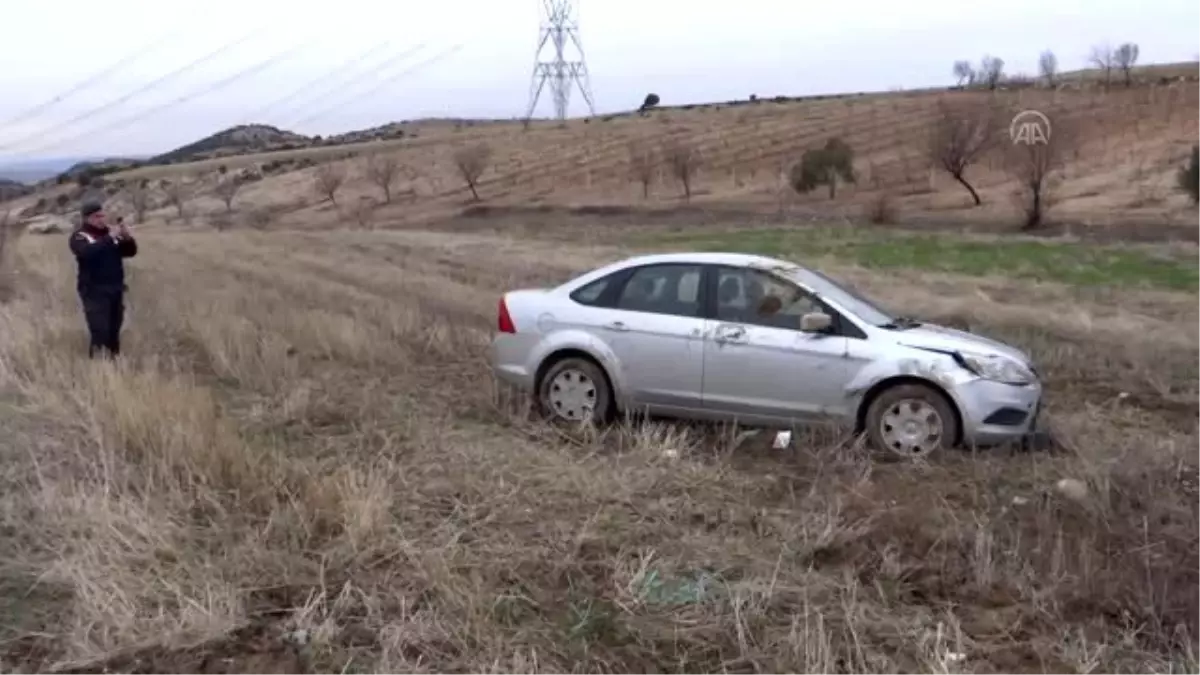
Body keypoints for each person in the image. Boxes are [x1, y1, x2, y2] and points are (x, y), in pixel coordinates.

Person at [69, 201, 137, 359]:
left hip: (115, 289)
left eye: (102, 215)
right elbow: (87, 253)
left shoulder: (109, 234)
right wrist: (109, 238)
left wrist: (127, 238)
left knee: (114, 331)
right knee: (100, 330)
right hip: (93, 291)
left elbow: (130, 252)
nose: (101, 219)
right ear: (87, 218)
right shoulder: (80, 236)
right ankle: (97, 368)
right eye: (96, 216)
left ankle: (113, 365)